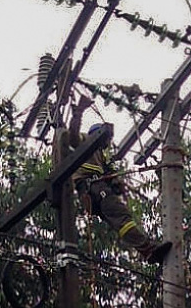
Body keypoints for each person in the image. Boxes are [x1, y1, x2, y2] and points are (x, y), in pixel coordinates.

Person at [69, 96, 172, 264]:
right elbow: (72, 136)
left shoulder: (102, 158)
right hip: (92, 187)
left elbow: (112, 177)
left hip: (94, 193)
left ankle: (147, 251)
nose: (108, 144)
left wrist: (118, 185)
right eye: (107, 140)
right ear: (97, 135)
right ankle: (148, 249)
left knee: (121, 222)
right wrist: (79, 111)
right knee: (122, 216)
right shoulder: (86, 141)